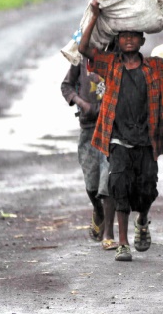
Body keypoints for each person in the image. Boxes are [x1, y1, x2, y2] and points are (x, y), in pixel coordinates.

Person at [77, 0, 163, 262]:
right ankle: (123, 244)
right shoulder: (111, 65)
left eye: (134, 37)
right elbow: (84, 49)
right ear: (118, 41)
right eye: (124, 36)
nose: (129, 40)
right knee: (119, 188)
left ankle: (143, 221)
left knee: (147, 189)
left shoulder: (154, 67)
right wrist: (94, 14)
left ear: (142, 41)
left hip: (146, 142)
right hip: (117, 141)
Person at [60, 58, 117, 250]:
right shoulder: (81, 59)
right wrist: (82, 103)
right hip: (89, 128)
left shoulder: (118, 55)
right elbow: (66, 86)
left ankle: (109, 233)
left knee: (107, 179)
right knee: (92, 183)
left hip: (112, 127)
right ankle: (98, 211)